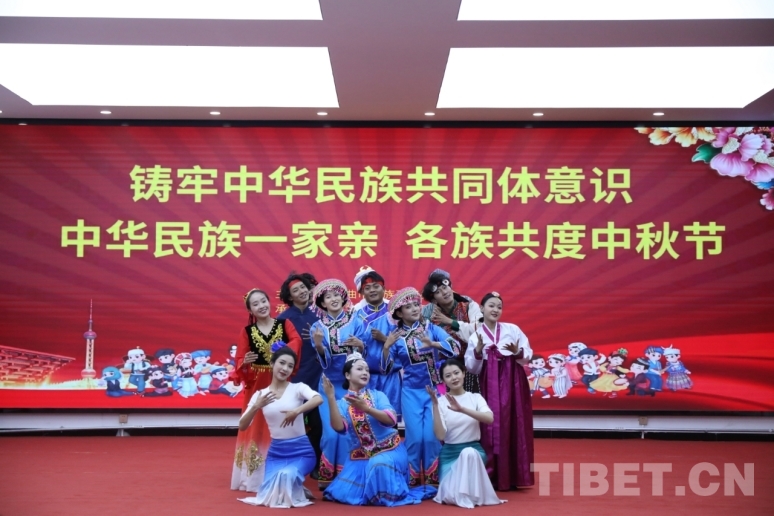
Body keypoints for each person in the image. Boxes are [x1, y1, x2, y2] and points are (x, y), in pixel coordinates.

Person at [321, 353, 436, 505]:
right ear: (347, 375)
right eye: (360, 369)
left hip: (389, 450)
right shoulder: (342, 404)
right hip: (361, 457)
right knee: (342, 492)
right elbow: (339, 428)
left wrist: (367, 409)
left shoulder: (378, 396)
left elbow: (391, 420)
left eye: (367, 370)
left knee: (378, 465)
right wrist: (330, 397)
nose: (365, 373)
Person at [382, 287, 458, 487]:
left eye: (416, 304)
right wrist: (386, 347)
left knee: (432, 437)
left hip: (435, 391)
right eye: (408, 307)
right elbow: (387, 368)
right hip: (410, 392)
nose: (415, 309)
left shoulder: (431, 328)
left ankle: (433, 475)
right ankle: (413, 475)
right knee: (415, 437)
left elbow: (455, 348)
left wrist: (434, 344)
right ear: (399, 313)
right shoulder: (396, 336)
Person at [231, 288, 303, 493]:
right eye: (255, 304)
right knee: (257, 425)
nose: (261, 306)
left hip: (280, 382)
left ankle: (281, 472)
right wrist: (244, 362)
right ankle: (254, 478)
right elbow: (240, 360)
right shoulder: (247, 332)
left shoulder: (284, 324)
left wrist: (285, 351)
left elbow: (297, 341)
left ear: (269, 302)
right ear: (250, 310)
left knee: (280, 422)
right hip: (257, 385)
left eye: (263, 301)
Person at [465, 292, 534, 490]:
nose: (495, 310)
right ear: (481, 308)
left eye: (499, 307)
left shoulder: (512, 329)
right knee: (490, 425)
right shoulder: (476, 335)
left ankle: (514, 475)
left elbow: (527, 355)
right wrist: (478, 352)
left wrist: (517, 352)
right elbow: (472, 368)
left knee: (514, 422)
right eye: (491, 305)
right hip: (489, 381)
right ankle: (491, 474)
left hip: (513, 381)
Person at [237, 347, 323, 508]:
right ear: (272, 363)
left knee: (285, 476)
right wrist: (256, 406)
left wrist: (297, 411)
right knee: (269, 493)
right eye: (282, 363)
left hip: (302, 452)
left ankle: (294, 485)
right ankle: (298, 489)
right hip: (276, 454)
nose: (285, 368)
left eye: (290, 366)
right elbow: (242, 426)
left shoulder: (298, 388)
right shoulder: (260, 395)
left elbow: (318, 399)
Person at [309, 278, 366, 489]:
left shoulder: (356, 321)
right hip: (328, 388)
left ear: (343, 299)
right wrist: (319, 346)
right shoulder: (317, 327)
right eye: (328, 297)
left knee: (351, 432)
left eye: (336, 295)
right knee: (332, 434)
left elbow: (363, 356)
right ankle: (327, 474)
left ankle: (347, 476)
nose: (333, 299)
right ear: (322, 303)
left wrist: (361, 345)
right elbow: (324, 362)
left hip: (352, 386)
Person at [428, 358, 505, 508]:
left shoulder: (475, 398)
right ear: (443, 380)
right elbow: (440, 436)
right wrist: (435, 406)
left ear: (463, 373)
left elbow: (489, 418)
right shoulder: (440, 402)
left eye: (456, 373)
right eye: (448, 375)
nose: (454, 378)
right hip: (449, 455)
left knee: (468, 453)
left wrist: (462, 409)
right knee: (450, 496)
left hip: (474, 452)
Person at [276, 272, 323, 476]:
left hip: (317, 375)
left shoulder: (318, 316)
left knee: (317, 423)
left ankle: (316, 463)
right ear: (289, 297)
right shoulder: (283, 319)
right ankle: (290, 462)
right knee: (293, 422)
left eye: (303, 287)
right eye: (296, 290)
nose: (302, 291)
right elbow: (277, 352)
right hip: (295, 377)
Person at [421, 269, 482, 393]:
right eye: (438, 292)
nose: (444, 292)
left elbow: (479, 331)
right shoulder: (430, 317)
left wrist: (450, 322)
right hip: (447, 370)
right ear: (434, 300)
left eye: (445, 287)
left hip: (472, 364)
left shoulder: (469, 306)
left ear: (450, 287)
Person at [351, 266, 402, 417]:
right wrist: (360, 347)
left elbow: (407, 343)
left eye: (376, 286)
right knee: (366, 420)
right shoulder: (355, 315)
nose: (372, 290)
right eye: (367, 288)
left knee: (390, 418)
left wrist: (384, 339)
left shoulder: (395, 312)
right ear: (361, 293)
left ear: (384, 288)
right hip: (365, 378)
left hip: (391, 377)